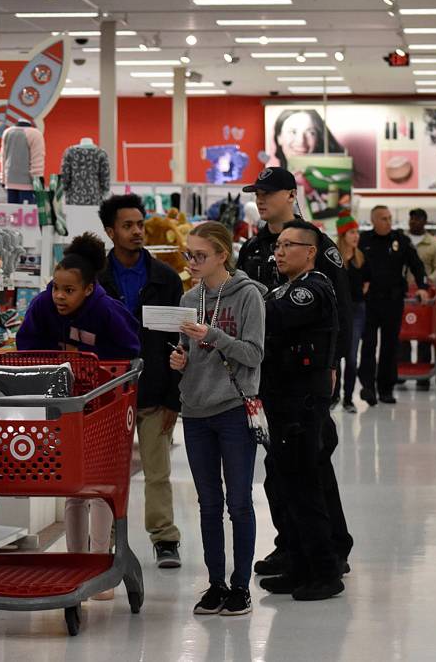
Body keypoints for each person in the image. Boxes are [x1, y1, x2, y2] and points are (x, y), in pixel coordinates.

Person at [235, 167, 353, 584]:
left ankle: (330, 550)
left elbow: (340, 309)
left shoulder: (316, 245)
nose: (260, 199)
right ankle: (292, 548)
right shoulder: (254, 248)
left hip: (305, 375)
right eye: (256, 193)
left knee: (312, 462)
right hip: (267, 375)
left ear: (290, 194)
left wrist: (333, 365)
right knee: (279, 468)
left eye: (268, 193)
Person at [16, 233, 140, 601]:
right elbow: (26, 346)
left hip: (105, 411)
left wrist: (94, 371)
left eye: (69, 290)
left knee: (100, 491)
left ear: (88, 289)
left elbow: (130, 354)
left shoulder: (108, 312)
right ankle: (75, 563)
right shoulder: (42, 306)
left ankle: (100, 563)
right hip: (63, 411)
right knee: (71, 490)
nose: (59, 296)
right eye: (56, 288)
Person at [169, 221, 265, 617]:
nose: (191, 262)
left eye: (200, 255)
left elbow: (254, 354)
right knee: (208, 503)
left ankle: (240, 586)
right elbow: (185, 349)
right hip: (195, 411)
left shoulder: (248, 295)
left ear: (222, 255)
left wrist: (213, 335)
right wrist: (179, 359)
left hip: (233, 410)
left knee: (239, 501)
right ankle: (215, 584)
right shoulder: (189, 297)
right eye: (188, 254)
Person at [97, 194, 184, 569]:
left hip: (155, 389)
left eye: (140, 224)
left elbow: (178, 342)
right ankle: (104, 538)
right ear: (110, 231)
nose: (137, 231)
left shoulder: (165, 278)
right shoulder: (95, 279)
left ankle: (165, 539)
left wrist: (174, 399)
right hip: (107, 393)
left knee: (158, 472)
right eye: (127, 225)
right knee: (105, 473)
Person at [259, 219, 343, 601]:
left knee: (305, 488)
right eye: (277, 245)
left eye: (288, 245)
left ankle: (325, 571)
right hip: (281, 399)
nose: (279, 252)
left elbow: (272, 317)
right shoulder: (284, 288)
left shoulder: (312, 289)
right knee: (285, 485)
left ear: (310, 252)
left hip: (302, 403)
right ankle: (298, 565)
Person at [358, 205, 429, 405]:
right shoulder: (364, 241)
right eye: (383, 219)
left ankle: (386, 388)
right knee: (369, 344)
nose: (388, 222)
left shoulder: (400, 240)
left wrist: (422, 287)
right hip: (370, 301)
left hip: (393, 301)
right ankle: (367, 387)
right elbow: (354, 266)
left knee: (390, 346)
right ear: (373, 221)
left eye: (390, 218)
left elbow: (417, 265)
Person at [400, 208, 436, 390]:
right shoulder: (401, 241)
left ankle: (423, 374)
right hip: (404, 295)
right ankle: (401, 369)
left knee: (424, 334)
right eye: (411, 219)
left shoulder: (434, 245)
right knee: (402, 333)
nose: (414, 222)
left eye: (418, 219)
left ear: (424, 221)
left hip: (425, 298)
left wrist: (427, 281)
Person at [333, 210, 367, 413]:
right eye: (352, 232)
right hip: (338, 311)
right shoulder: (334, 260)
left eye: (357, 232)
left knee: (352, 357)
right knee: (335, 356)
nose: (356, 236)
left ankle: (348, 398)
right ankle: (334, 395)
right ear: (343, 235)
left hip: (356, 311)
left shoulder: (361, 259)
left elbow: (367, 283)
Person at [270, 109, 344, 170]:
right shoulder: (270, 177)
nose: (301, 141)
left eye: (311, 133)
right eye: (293, 132)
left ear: (318, 139)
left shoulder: (333, 175)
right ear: (279, 138)